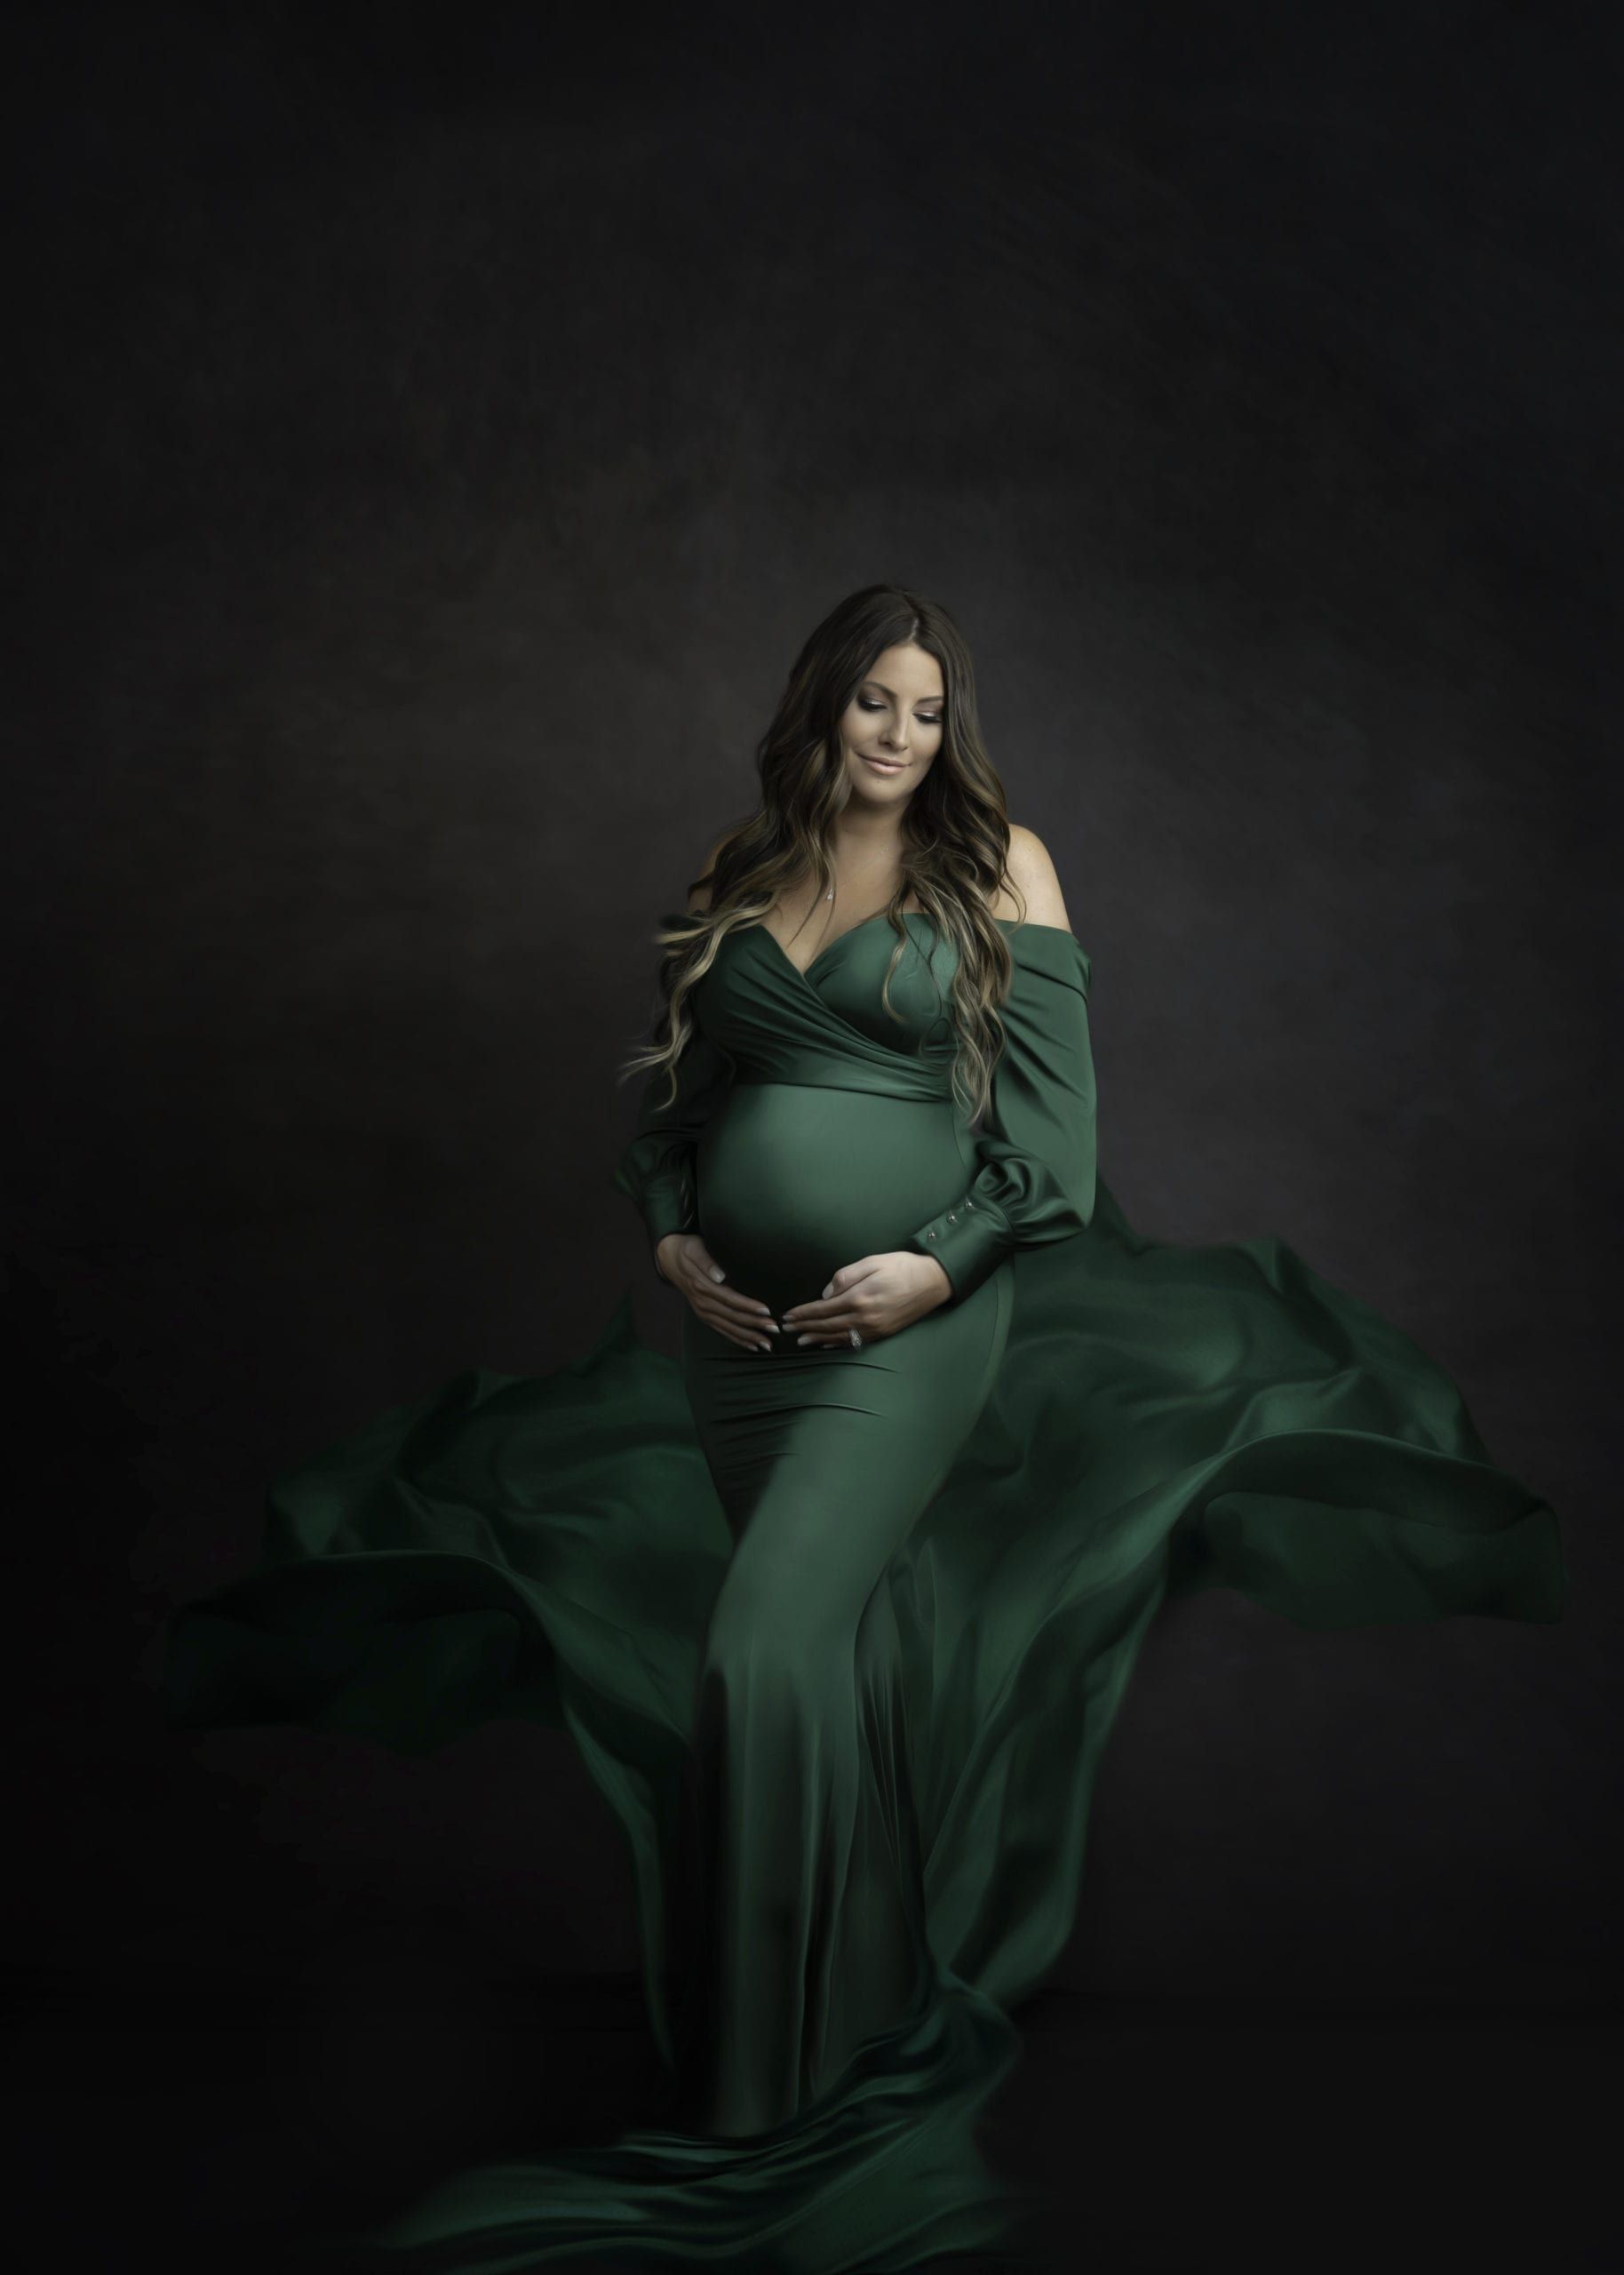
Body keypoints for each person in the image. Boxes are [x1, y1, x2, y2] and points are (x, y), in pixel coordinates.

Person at [163, 583, 1568, 2271]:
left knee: (760, 1649)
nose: (900, 734)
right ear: (820, 706)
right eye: (872, 703)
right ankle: (846, 2016)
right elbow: (678, 1110)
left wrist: (937, 1267)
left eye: (927, 709)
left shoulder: (1004, 868)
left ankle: (756, 2105)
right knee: (828, 1662)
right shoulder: (738, 869)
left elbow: (1054, 1149)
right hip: (744, 1343)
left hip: (915, 1330)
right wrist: (675, 1243)